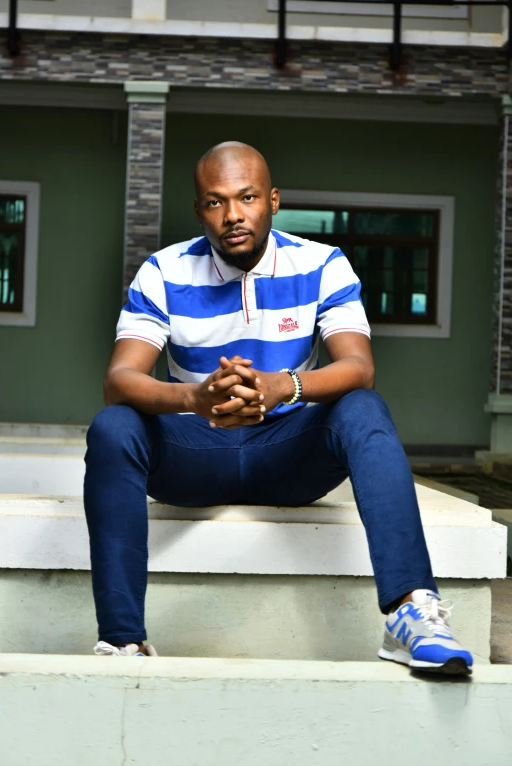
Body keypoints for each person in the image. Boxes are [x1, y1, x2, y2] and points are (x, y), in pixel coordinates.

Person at [84, 141, 473, 674]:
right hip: (194, 455)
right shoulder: (163, 271)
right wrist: (195, 399)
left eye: (246, 197)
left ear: (273, 200)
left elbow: (358, 366)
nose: (233, 215)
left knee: (362, 406)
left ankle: (410, 613)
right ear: (200, 210)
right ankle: (122, 640)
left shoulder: (322, 264)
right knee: (114, 426)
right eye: (216, 202)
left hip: (287, 453)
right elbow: (119, 379)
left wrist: (280, 387)